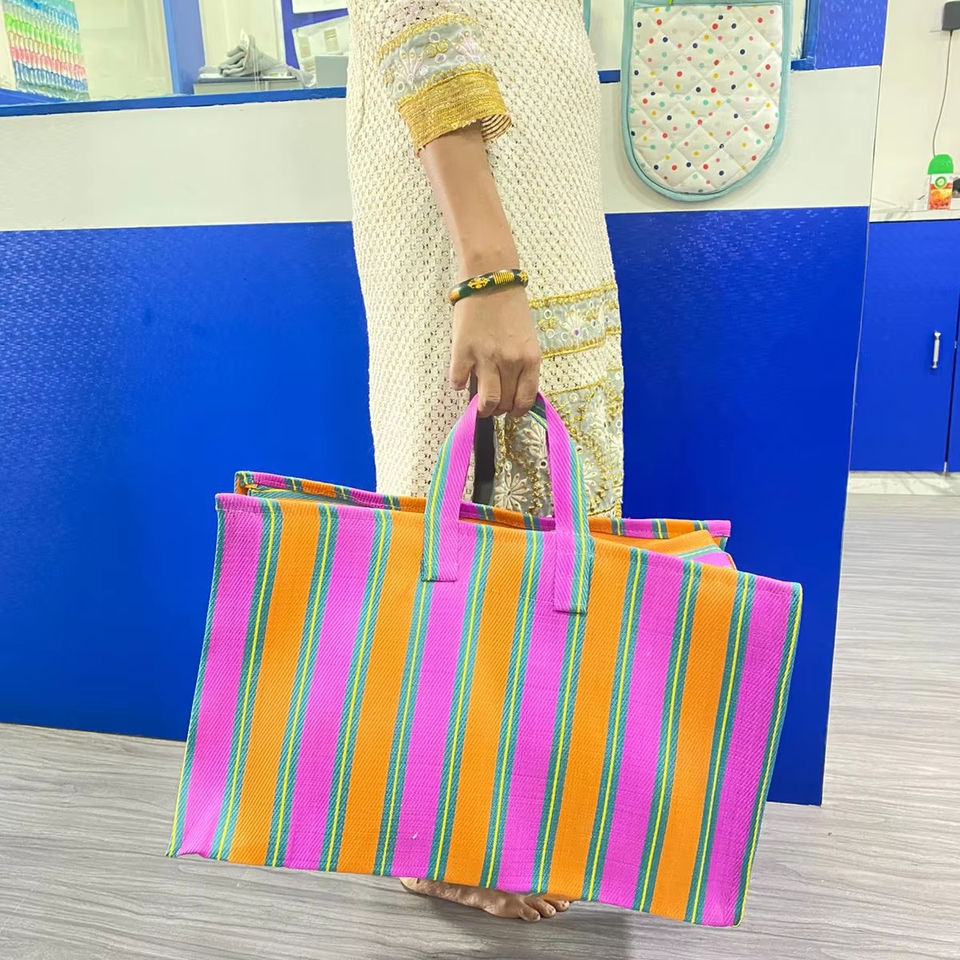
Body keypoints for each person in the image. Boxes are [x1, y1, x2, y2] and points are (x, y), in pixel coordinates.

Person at [345, 0, 623, 920]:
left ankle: (516, 810)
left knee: (549, 524)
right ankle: (445, 834)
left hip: (548, 207)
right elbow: (412, 17)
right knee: (461, 515)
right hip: (472, 222)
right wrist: (488, 266)